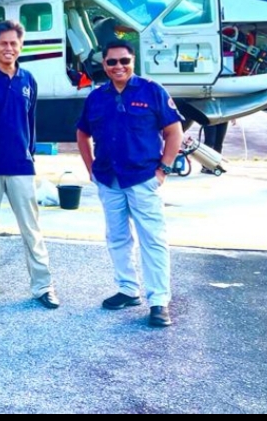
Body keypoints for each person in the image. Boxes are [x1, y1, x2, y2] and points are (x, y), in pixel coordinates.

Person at [75, 39, 184, 328]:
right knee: (117, 237)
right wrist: (91, 169)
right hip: (108, 179)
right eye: (112, 62)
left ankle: (158, 301)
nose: (118, 66)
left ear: (133, 61)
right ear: (104, 65)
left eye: (124, 60)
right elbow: (82, 134)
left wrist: (163, 169)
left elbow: (174, 132)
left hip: (142, 177)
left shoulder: (152, 91)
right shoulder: (96, 97)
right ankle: (127, 289)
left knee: (153, 239)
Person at [0, 20, 60, 312]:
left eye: (14, 43)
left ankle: (43, 286)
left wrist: (30, 154)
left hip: (20, 166)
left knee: (32, 230)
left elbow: (31, 122)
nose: (9, 48)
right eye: (3, 43)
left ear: (21, 46)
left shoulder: (28, 80)